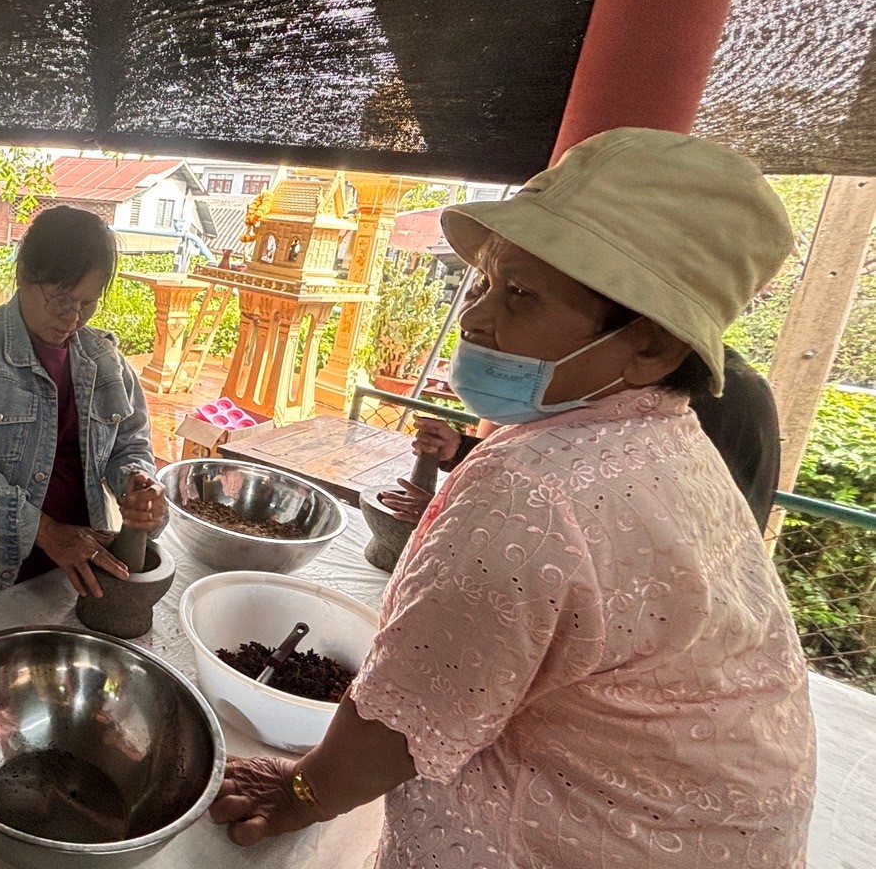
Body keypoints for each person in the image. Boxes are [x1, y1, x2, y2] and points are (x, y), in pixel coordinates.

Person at [210, 129, 816, 867]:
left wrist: (301, 793)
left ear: (651, 345)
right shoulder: (672, 441)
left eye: (521, 296)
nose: (476, 319)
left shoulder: (532, 487)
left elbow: (402, 722)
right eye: (487, 285)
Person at [0, 206, 166, 619]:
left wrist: (137, 484)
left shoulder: (103, 359)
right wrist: (47, 532)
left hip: (77, 558)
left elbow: (130, 442)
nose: (72, 318)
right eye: (60, 299)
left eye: (87, 304)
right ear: (23, 274)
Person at [382, 343, 782, 527]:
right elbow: (573, 461)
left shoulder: (728, 397)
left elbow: (623, 527)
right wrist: (462, 449)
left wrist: (460, 522)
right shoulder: (626, 384)